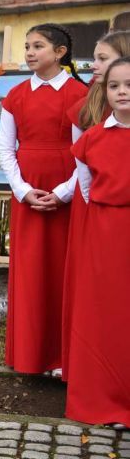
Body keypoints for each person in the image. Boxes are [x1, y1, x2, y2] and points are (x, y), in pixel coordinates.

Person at [0, 23, 87, 376]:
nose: (30, 53)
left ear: (60, 52)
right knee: (30, 272)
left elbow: (84, 152)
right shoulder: (16, 95)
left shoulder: (78, 93)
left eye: (38, 46)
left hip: (66, 188)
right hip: (29, 190)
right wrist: (21, 190)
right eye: (27, 46)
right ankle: (30, 355)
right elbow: (6, 148)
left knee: (63, 271)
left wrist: (63, 193)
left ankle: (62, 358)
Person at [60, 30, 130, 381]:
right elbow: (83, 173)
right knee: (100, 304)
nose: (94, 65)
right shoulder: (93, 124)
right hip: (100, 217)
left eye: (103, 58)